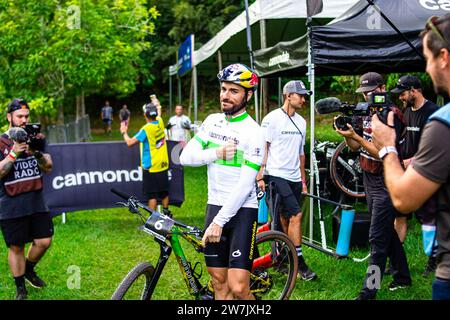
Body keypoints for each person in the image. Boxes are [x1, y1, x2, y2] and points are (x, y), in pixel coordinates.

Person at [372, 14, 450, 300]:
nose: (427, 68)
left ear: (443, 57)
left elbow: (404, 197)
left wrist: (387, 147)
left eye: (427, 58)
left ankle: (377, 283)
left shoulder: (443, 121)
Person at [179, 63, 264, 300]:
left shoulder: (254, 132)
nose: (225, 95)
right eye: (224, 89)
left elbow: (246, 185)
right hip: (214, 204)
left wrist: (219, 222)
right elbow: (185, 157)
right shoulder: (212, 121)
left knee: (238, 288)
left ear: (248, 95)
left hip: (242, 211)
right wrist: (216, 153)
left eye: (233, 91)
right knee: (219, 282)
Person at [334, 72, 412, 300]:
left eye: (372, 91)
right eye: (365, 93)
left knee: (377, 238)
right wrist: (347, 134)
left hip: (388, 179)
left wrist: (358, 139)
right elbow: (355, 147)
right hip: (369, 179)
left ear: (383, 88)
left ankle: (369, 291)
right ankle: (403, 277)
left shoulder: (392, 115)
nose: (368, 96)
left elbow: (384, 153)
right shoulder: (365, 111)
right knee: (387, 231)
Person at [257, 80, 317, 281]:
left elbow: (301, 153)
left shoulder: (302, 121)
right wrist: (260, 174)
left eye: (304, 96)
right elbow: (263, 147)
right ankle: (299, 262)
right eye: (300, 95)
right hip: (275, 175)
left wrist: (303, 179)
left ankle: (282, 259)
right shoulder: (271, 119)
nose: (303, 99)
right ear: (288, 95)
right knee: (296, 215)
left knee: (284, 219)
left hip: (293, 177)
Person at [0, 98, 54, 300]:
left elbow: (48, 166)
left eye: (26, 116)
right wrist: (13, 154)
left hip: (35, 200)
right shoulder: (1, 141)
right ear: (9, 117)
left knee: (44, 241)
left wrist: (36, 152)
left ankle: (29, 269)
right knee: (16, 246)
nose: (24, 120)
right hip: (11, 204)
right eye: (19, 116)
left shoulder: (36, 138)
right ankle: (20, 287)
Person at [390, 75, 439, 277]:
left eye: (402, 93)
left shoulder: (434, 113)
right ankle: (396, 262)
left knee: (428, 218)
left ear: (414, 90)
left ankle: (434, 260)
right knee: (400, 216)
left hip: (426, 175)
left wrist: (414, 160)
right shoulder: (407, 112)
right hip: (405, 174)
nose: (401, 98)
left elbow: (439, 147)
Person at [120, 102, 171, 216]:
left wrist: (124, 132)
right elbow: (159, 110)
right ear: (155, 114)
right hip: (163, 164)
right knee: (164, 192)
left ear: (145, 115)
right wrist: (156, 103)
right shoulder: (160, 121)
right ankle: (166, 213)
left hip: (151, 166)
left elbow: (129, 143)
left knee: (152, 195)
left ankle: (152, 220)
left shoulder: (146, 129)